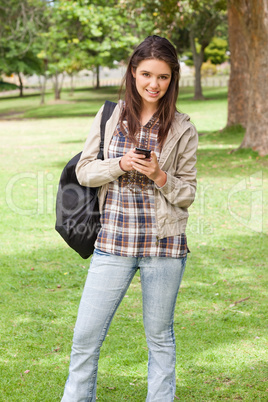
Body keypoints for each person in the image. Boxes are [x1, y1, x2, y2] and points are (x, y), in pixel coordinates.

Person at [61, 35, 198, 402]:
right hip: (113, 243)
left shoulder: (183, 127)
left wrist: (159, 175)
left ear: (173, 80)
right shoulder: (110, 116)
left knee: (159, 338)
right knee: (85, 337)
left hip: (163, 247)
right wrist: (119, 164)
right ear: (133, 73)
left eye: (164, 77)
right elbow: (85, 172)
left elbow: (187, 194)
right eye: (147, 74)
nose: (154, 84)